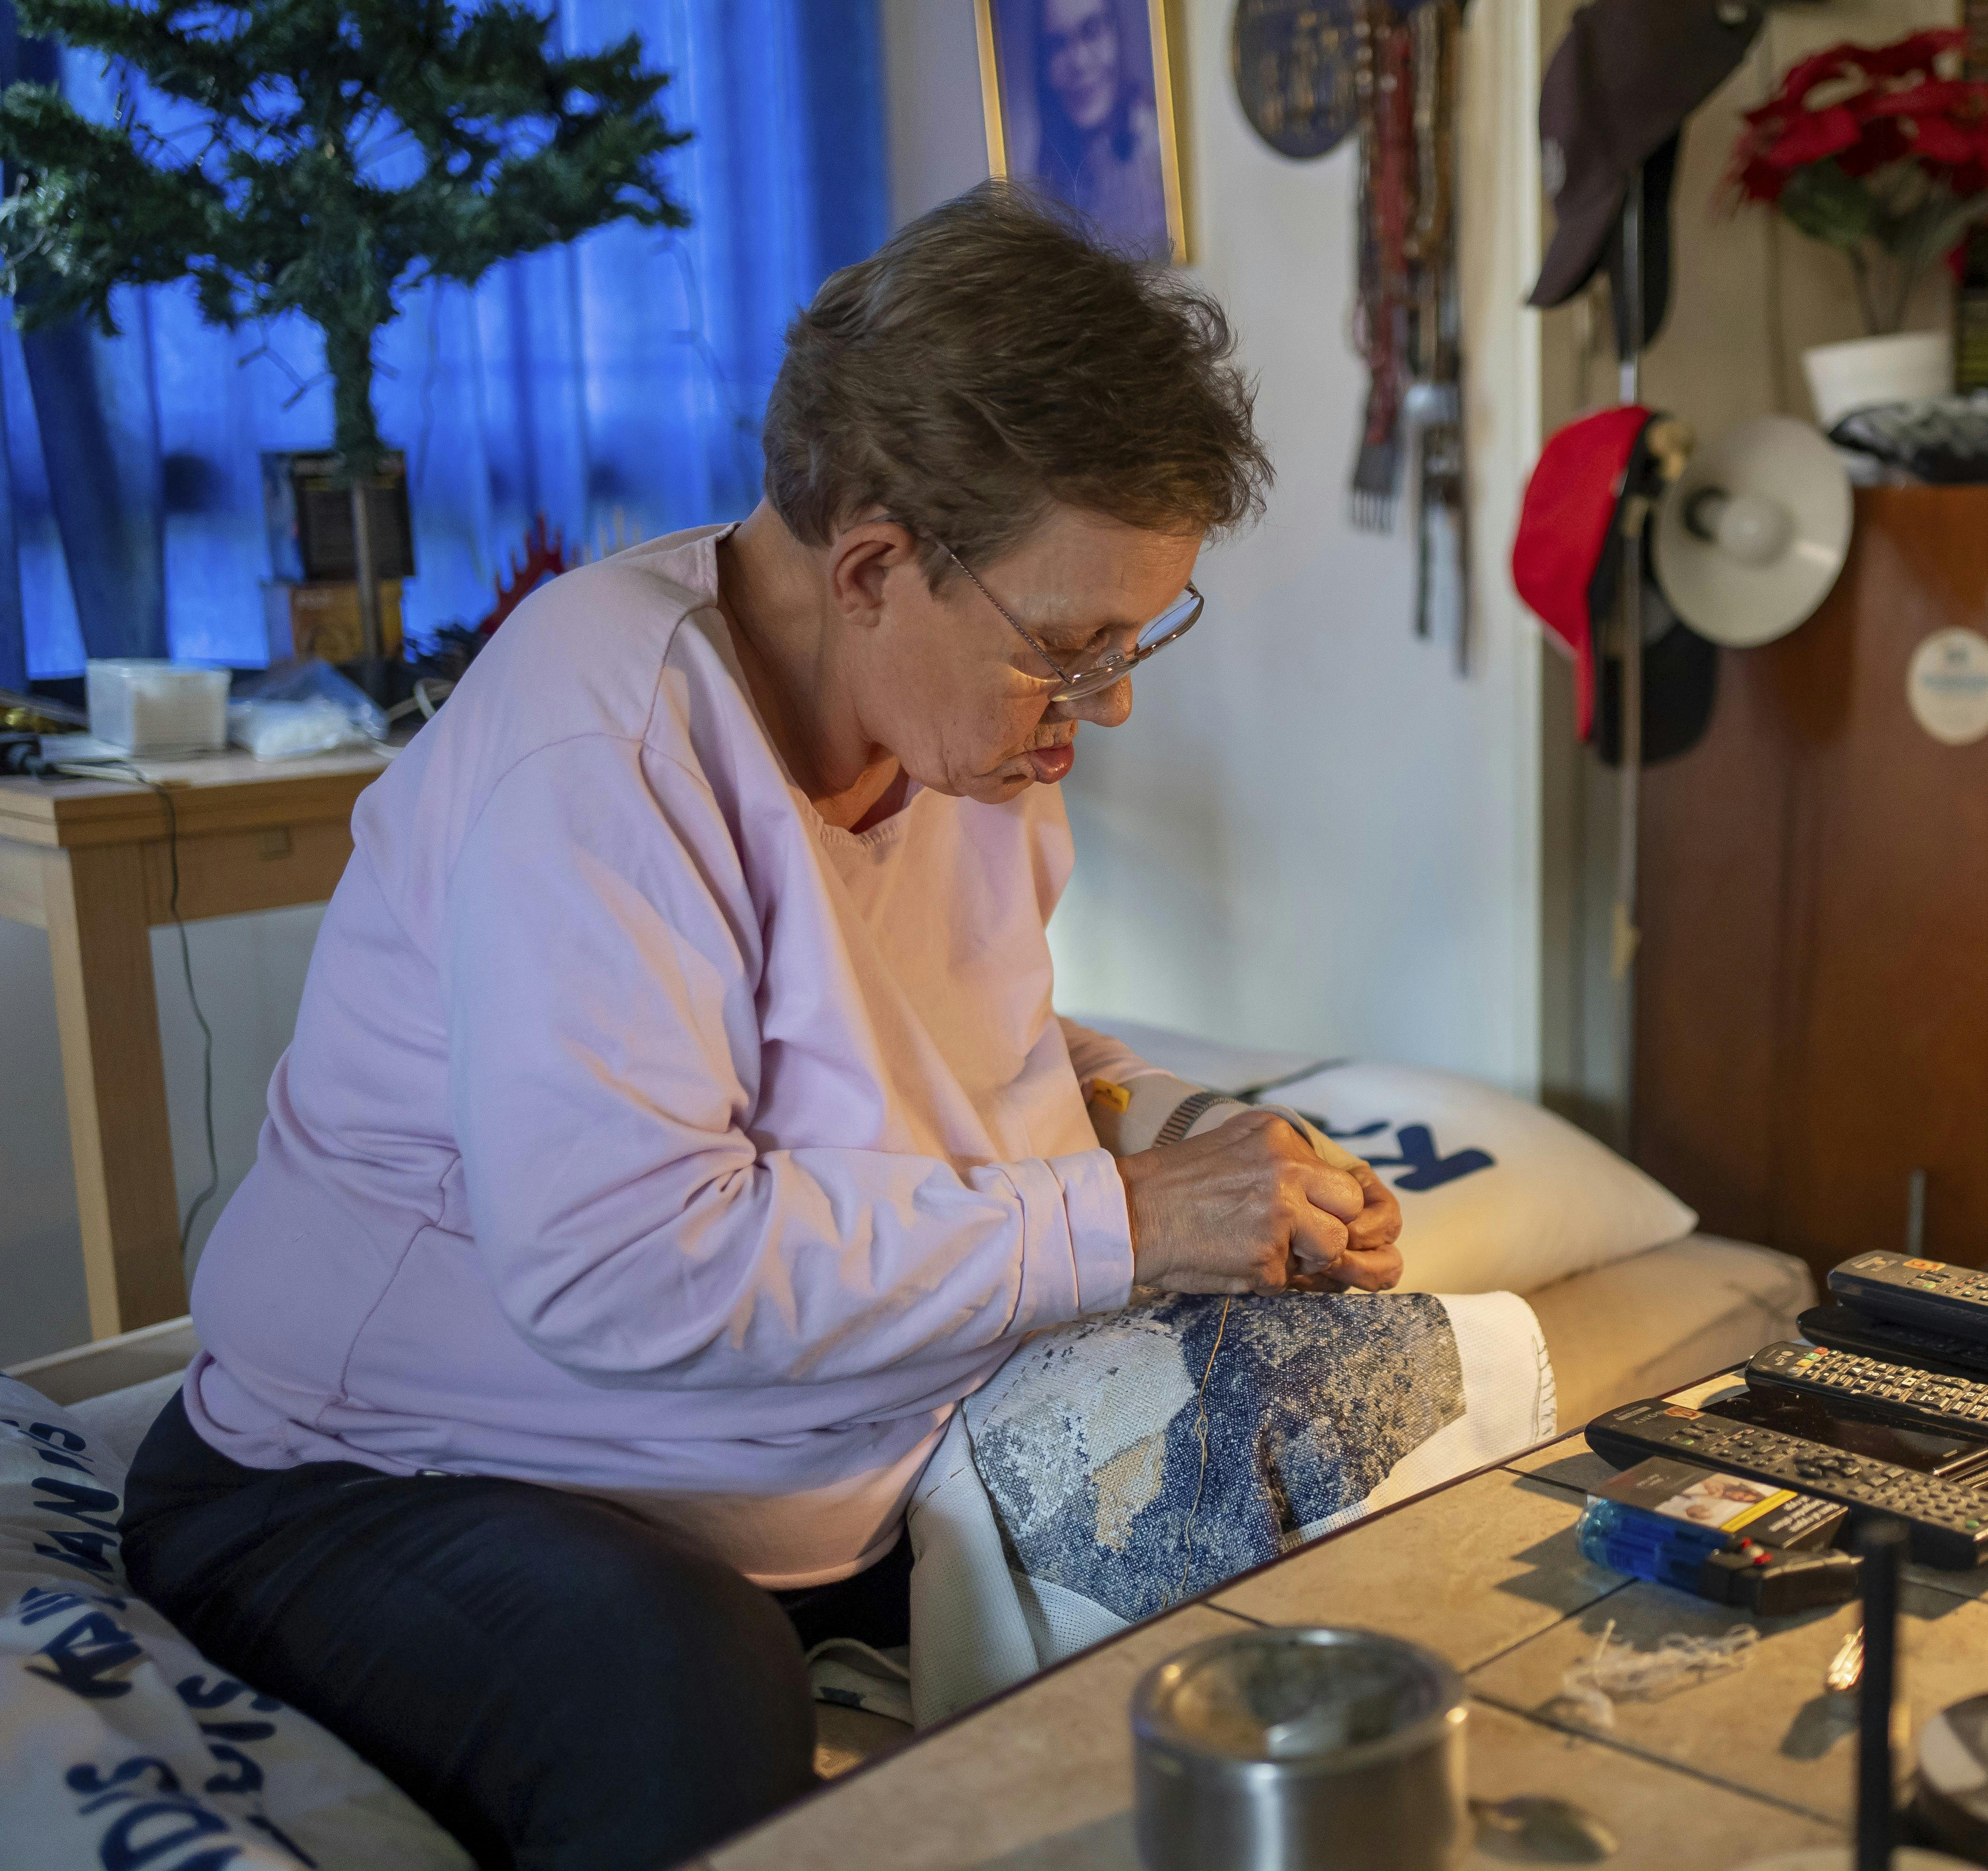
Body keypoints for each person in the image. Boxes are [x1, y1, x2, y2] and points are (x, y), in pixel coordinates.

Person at [117, 187, 1396, 1871]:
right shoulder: (600, 737)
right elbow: (622, 1262)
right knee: (677, 1677)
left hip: (842, 1464)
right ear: (869, 565)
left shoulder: (963, 745)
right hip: (391, 1478)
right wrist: (1137, 1218)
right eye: (1073, 648)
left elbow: (934, 1050)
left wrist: (1163, 1126)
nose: (1110, 701)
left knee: (1347, 1414)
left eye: (1130, 644)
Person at [1029, 0, 1170, 256]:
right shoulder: (1049, 169)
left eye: (1092, 31)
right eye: (1058, 45)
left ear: (1117, 34)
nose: (1079, 61)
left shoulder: (1156, 144)